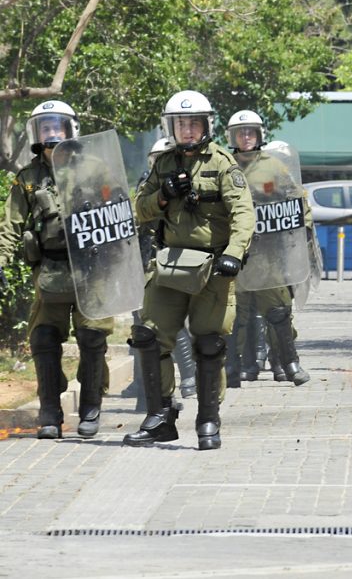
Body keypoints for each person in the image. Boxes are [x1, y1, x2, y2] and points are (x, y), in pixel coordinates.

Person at [123, 90, 254, 450]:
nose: (188, 131)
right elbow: (139, 209)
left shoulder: (224, 164)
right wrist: (163, 194)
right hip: (170, 265)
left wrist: (234, 253)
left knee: (209, 344)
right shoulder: (162, 163)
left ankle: (209, 419)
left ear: (206, 125)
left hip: (214, 268)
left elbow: (245, 214)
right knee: (149, 337)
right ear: (172, 127)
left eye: (194, 123)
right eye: (181, 124)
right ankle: (160, 417)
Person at [0, 100, 115, 439]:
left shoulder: (95, 169)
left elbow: (118, 212)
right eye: (45, 128)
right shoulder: (28, 178)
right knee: (43, 338)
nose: (51, 134)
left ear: (70, 130)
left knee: (93, 337)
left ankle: (91, 405)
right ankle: (50, 410)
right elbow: (10, 227)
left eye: (57, 127)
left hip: (91, 270)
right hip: (49, 270)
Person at [225, 112, 310, 387]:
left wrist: (303, 227)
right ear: (232, 137)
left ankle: (291, 363)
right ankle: (232, 368)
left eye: (250, 132)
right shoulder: (225, 166)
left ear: (259, 135)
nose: (246, 137)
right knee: (236, 314)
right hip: (235, 252)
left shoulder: (273, 166)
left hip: (270, 254)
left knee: (279, 311)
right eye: (241, 133)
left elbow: (296, 199)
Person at [122, 136, 197, 405]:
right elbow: (135, 218)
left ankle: (188, 377)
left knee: (169, 322)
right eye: (155, 159)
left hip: (172, 259)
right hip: (143, 262)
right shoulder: (147, 185)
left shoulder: (186, 181)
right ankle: (143, 386)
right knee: (141, 325)